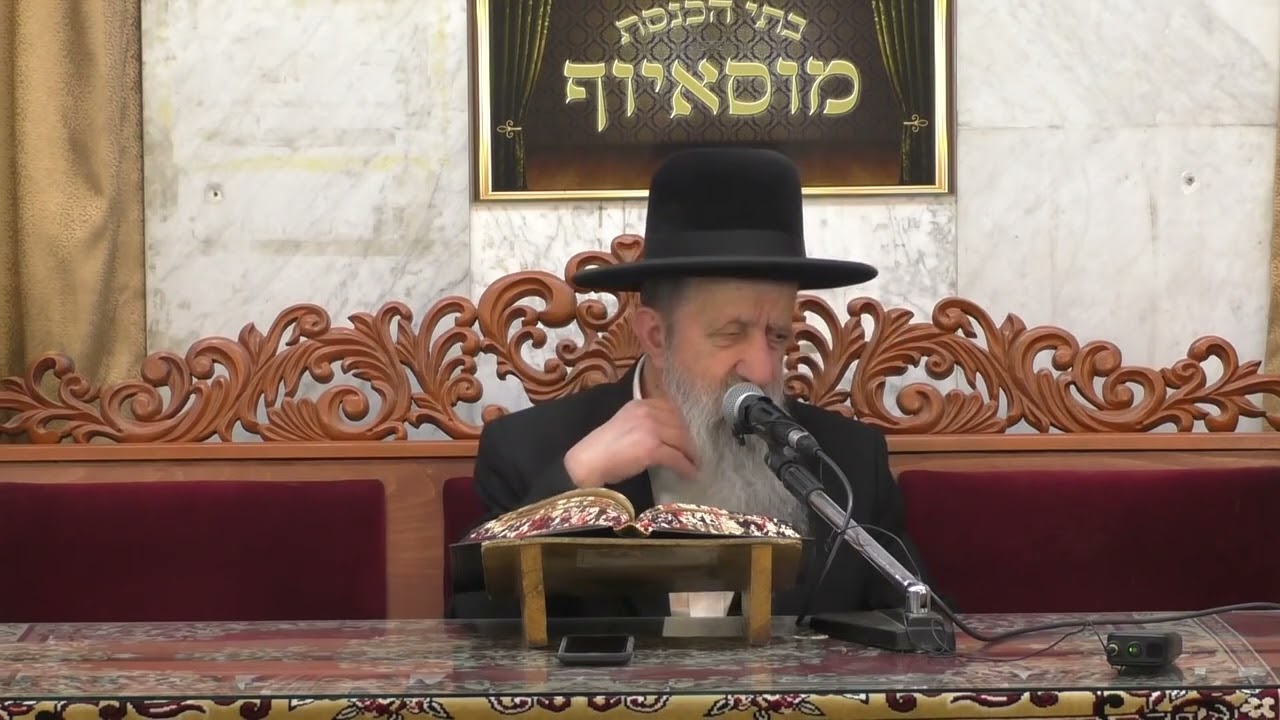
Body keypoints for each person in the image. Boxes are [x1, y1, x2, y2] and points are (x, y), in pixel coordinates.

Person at [449, 147, 931, 621]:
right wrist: (573, 484)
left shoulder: (848, 465)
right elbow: (473, 633)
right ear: (656, 336)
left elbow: (923, 632)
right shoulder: (530, 452)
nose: (762, 371)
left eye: (777, 336)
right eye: (731, 334)